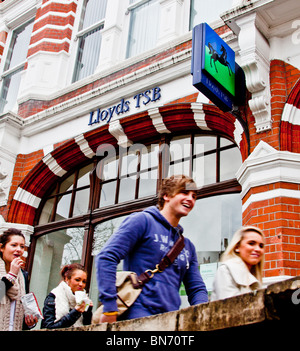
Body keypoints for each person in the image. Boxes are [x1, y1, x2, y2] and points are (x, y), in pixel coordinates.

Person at [96, 175, 208, 323]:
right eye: (184, 193)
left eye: (194, 196)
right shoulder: (142, 221)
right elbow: (106, 257)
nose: (190, 199)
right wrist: (110, 308)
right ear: (166, 195)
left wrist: (203, 314)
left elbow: (196, 288)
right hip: (136, 318)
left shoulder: (187, 246)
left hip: (172, 321)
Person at [211, 226, 265, 301]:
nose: (258, 249)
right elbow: (228, 308)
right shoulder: (226, 270)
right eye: (251, 243)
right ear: (237, 247)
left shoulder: (254, 277)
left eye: (261, 246)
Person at [0, 228, 38, 331]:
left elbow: (23, 309)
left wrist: (30, 322)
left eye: (22, 246)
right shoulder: (13, 274)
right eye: (14, 245)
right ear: (1, 247)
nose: (19, 249)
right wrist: (11, 275)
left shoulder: (23, 275)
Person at [41, 263, 93, 329]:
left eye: (84, 281)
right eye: (77, 280)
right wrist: (76, 312)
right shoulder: (54, 296)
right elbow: (49, 327)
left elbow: (86, 327)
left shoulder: (83, 299)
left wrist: (88, 312)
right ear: (67, 279)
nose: (81, 284)